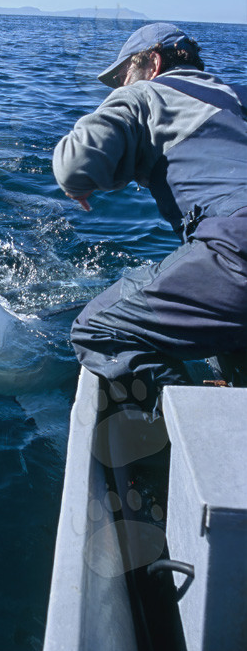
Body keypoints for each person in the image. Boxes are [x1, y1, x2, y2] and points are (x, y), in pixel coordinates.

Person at [53, 22, 247, 410]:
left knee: (98, 330)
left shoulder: (149, 92)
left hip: (237, 246)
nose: (121, 87)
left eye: (124, 76)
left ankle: (188, 441)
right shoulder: (236, 96)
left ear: (152, 63)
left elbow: (74, 165)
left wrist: (79, 184)